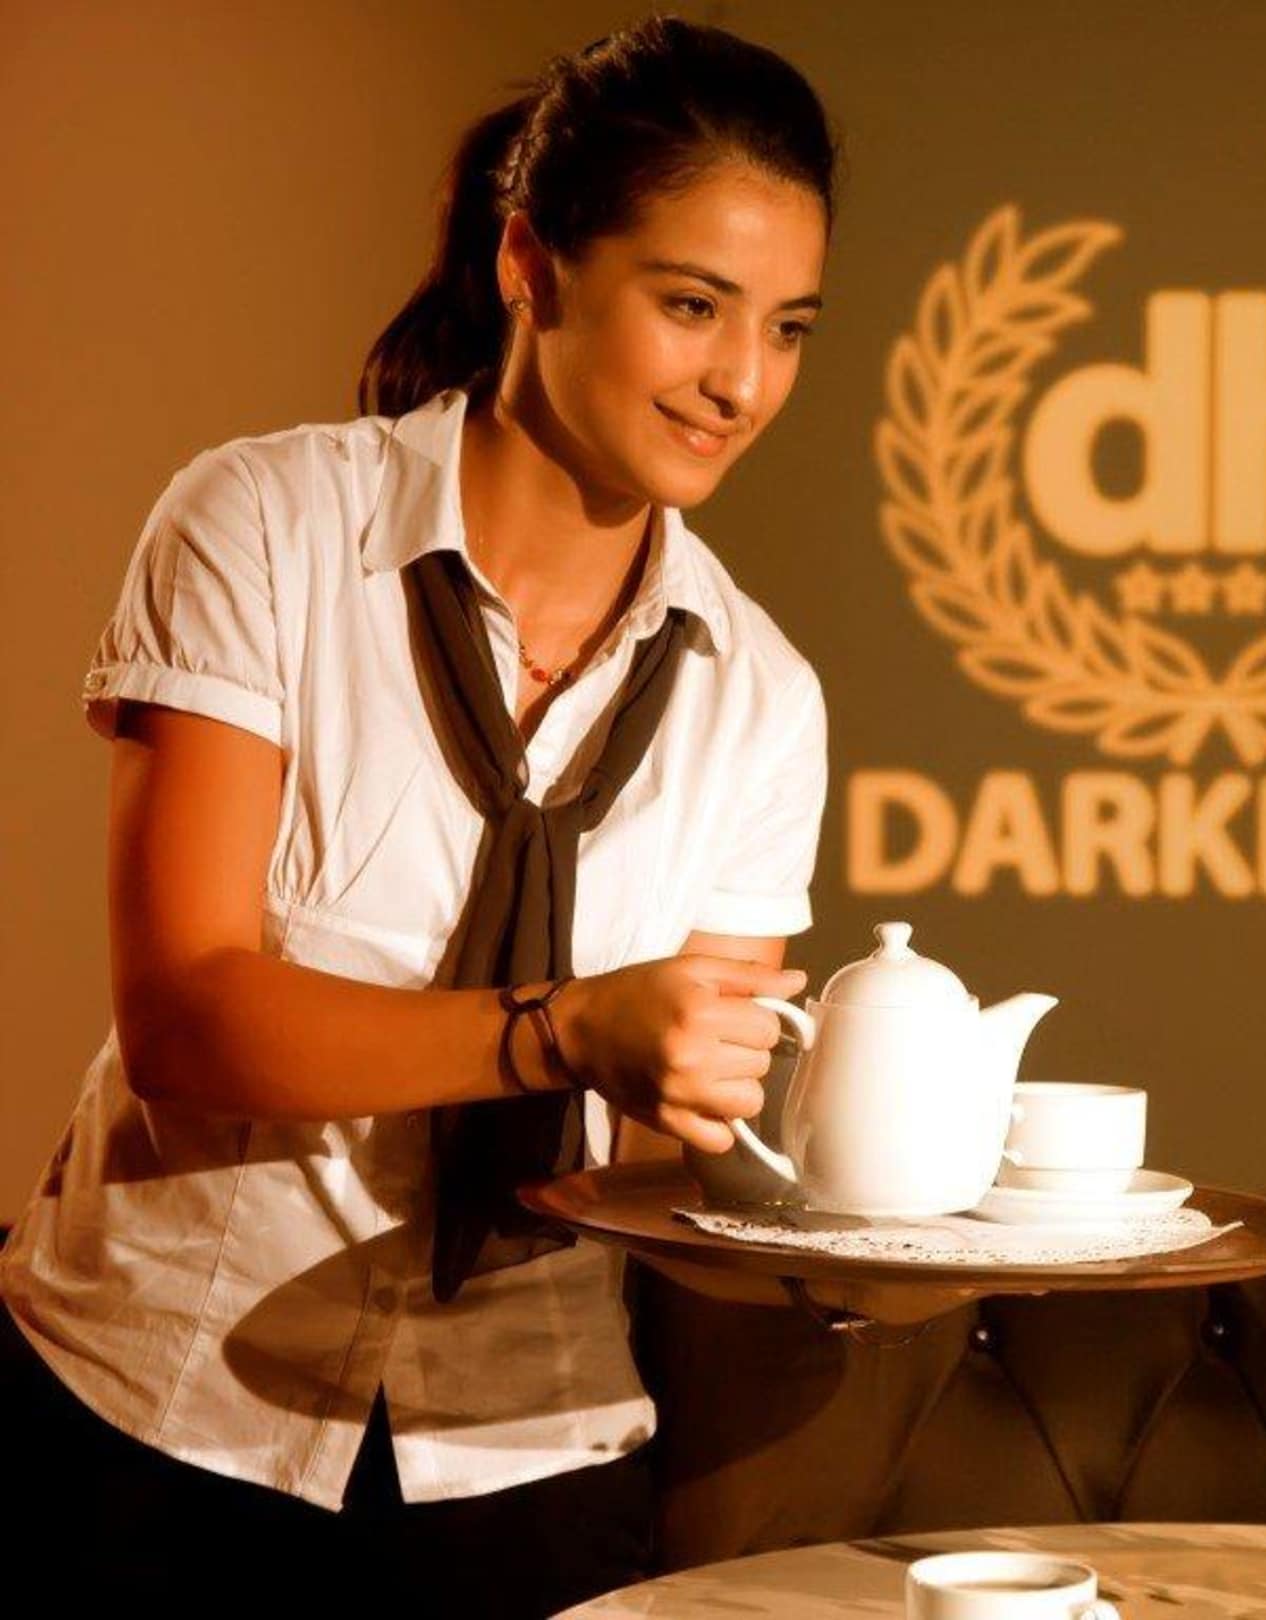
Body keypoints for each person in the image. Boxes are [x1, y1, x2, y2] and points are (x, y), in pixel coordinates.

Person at [0, 17, 837, 1614]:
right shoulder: (263, 526)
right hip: (159, 1412)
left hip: (528, 1449)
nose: (742, 382)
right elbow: (185, 1017)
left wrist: (841, 1226)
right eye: (691, 306)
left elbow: (664, 1154)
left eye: (787, 328)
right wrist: (563, 1028)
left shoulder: (760, 693)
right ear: (531, 265)